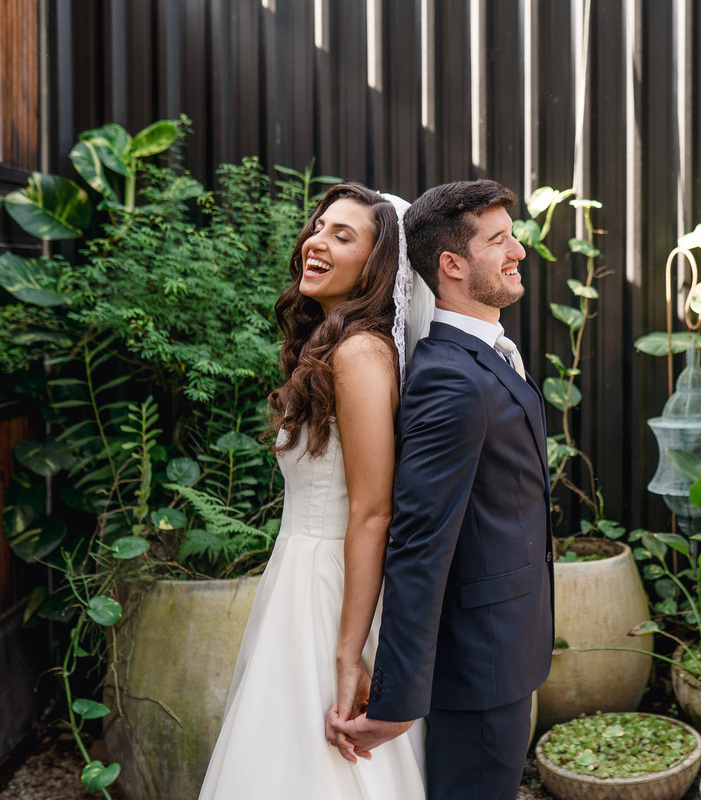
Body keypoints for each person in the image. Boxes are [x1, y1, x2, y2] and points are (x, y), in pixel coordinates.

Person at [199, 183, 433, 799]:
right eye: (319, 227)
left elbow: (373, 511)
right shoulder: (330, 343)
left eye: (342, 235)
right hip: (298, 572)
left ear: (376, 268)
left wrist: (347, 654)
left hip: (331, 586)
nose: (316, 242)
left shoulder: (359, 353)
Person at [326, 180, 554, 800]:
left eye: (513, 235)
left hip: (505, 642)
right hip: (478, 663)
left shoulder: (488, 357)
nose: (519, 251)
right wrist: (398, 701)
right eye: (499, 240)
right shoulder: (450, 381)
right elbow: (419, 545)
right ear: (451, 265)